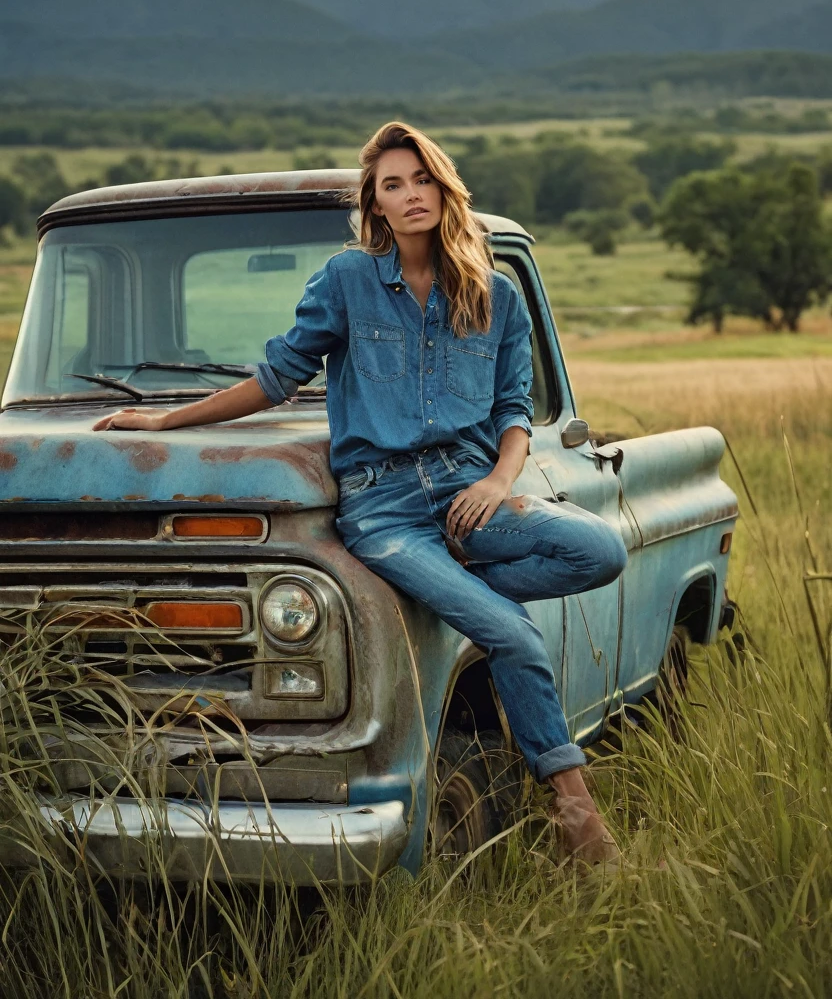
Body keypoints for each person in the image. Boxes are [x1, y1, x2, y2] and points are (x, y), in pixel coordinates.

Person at [93, 121, 627, 865]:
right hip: (385, 510)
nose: (412, 195)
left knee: (599, 548)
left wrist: (499, 483)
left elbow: (512, 411)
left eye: (422, 180)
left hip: (468, 499)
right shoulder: (347, 281)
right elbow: (278, 377)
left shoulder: (494, 295)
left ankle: (450, 585)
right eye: (393, 186)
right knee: (511, 631)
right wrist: (166, 417)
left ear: (444, 187)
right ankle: (578, 816)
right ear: (375, 206)